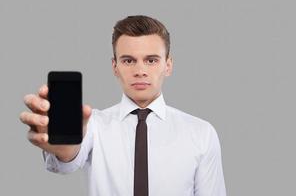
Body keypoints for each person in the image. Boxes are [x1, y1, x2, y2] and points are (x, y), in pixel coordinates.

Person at [20, 15, 226, 196]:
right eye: (128, 61)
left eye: (151, 60)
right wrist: (62, 147)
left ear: (168, 65)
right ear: (115, 67)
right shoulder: (94, 126)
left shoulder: (201, 133)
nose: (140, 70)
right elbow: (67, 160)